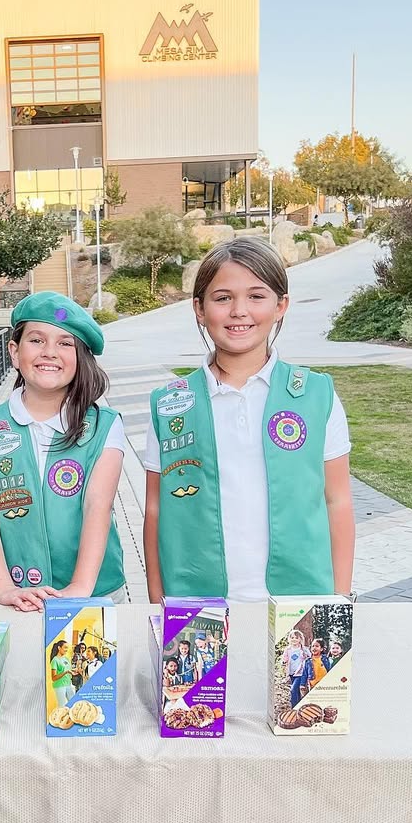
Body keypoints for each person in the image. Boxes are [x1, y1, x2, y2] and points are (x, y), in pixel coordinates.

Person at [143, 239, 354, 603]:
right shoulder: (170, 405)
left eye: (256, 296)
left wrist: (340, 599)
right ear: (199, 308)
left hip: (300, 601)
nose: (239, 311)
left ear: (280, 305)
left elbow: (337, 501)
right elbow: (155, 509)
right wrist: (158, 603)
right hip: (194, 603)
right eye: (223, 298)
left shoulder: (316, 395)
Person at [0, 292, 126, 612]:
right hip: (22, 596)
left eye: (65, 343)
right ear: (14, 351)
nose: (49, 352)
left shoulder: (105, 425)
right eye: (37, 340)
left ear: (80, 357)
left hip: (95, 593)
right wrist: (3, 587)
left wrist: (79, 588)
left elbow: (98, 505)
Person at [49, 639, 72, 707]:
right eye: (65, 647)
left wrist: (74, 671)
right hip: (60, 686)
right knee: (62, 706)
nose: (66, 650)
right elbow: (54, 678)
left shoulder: (66, 659)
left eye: (67, 648)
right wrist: (65, 672)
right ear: (59, 648)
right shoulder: (55, 660)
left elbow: (68, 670)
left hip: (68, 684)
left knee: (73, 703)